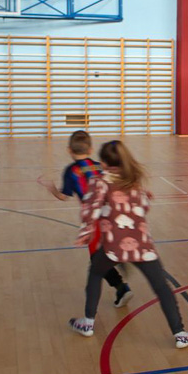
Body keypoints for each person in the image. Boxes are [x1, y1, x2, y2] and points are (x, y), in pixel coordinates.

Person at [71, 141, 188, 349]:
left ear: (102, 162)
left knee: (95, 273)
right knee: (161, 288)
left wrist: (85, 232)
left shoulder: (99, 181)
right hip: (142, 245)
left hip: (113, 247)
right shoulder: (134, 181)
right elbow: (143, 209)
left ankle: (88, 322)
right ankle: (180, 333)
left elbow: (90, 208)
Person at [40, 130, 133, 308]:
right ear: (90, 150)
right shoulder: (100, 165)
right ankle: (119, 255)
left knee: (96, 259)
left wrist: (51, 188)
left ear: (69, 150)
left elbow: (63, 196)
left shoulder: (71, 172)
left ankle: (121, 287)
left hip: (94, 219)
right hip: (112, 212)